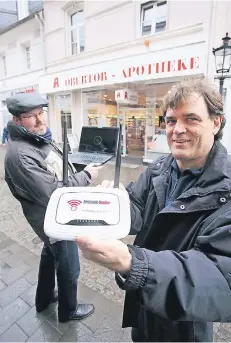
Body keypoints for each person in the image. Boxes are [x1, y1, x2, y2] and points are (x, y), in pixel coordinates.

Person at [76, 78, 231, 342]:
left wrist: (132, 263)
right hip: (144, 305)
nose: (177, 129)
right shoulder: (160, 168)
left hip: (184, 325)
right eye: (170, 121)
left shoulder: (226, 191)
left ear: (216, 123)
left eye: (191, 119)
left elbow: (220, 279)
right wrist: (116, 202)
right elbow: (137, 209)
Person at [4, 92, 101, 323]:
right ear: (17, 120)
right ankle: (68, 311)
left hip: (50, 218)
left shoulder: (35, 139)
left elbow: (54, 166)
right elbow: (53, 192)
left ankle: (44, 298)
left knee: (50, 256)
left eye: (41, 113)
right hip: (54, 218)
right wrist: (86, 175)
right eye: (31, 116)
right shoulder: (20, 154)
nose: (40, 120)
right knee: (69, 265)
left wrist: (77, 165)